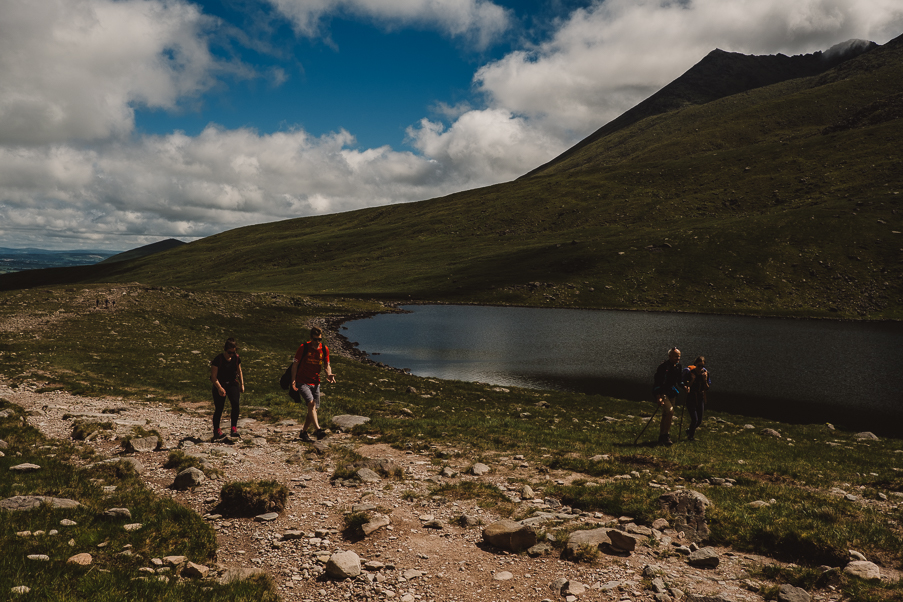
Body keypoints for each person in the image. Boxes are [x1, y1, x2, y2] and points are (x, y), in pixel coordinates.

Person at [290, 326, 336, 442]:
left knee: (313, 409)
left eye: (319, 339)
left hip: (316, 382)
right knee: (311, 404)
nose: (317, 342)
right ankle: (318, 430)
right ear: (311, 338)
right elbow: (295, 364)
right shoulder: (303, 347)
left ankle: (304, 432)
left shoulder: (324, 349)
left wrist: (329, 374)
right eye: (315, 339)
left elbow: (326, 365)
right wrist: (293, 379)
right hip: (302, 381)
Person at [210, 337, 244, 440]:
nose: (231, 355)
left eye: (233, 352)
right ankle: (217, 430)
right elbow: (213, 377)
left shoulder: (236, 358)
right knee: (219, 408)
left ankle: (234, 428)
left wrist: (242, 384)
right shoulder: (218, 360)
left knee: (235, 404)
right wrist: (219, 388)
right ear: (225, 350)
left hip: (232, 383)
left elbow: (239, 371)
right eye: (230, 352)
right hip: (220, 384)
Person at [652, 347, 687, 446]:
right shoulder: (663, 367)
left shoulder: (678, 366)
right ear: (670, 356)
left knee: (666, 415)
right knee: (670, 411)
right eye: (676, 356)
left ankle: (662, 436)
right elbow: (657, 382)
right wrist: (658, 397)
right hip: (663, 393)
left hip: (671, 393)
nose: (678, 358)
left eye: (679, 356)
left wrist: (684, 386)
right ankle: (666, 435)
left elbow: (679, 380)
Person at [683, 357, 711, 441]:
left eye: (702, 366)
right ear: (695, 364)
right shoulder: (690, 373)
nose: (700, 368)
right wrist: (692, 380)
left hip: (700, 397)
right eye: (699, 366)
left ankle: (689, 431)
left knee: (699, 420)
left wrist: (705, 380)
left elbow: (707, 387)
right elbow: (687, 386)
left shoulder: (705, 374)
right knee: (694, 419)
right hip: (691, 397)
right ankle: (690, 437)